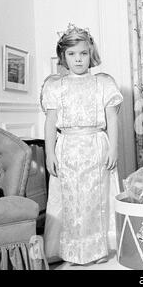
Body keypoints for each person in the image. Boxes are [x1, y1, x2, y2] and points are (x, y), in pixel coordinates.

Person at [40, 23, 123, 265]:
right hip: (66, 147)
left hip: (96, 145)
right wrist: (48, 155)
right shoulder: (55, 85)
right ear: (63, 56)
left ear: (91, 54)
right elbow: (49, 123)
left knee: (96, 200)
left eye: (83, 53)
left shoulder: (104, 83)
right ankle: (72, 251)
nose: (78, 59)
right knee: (71, 201)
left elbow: (112, 119)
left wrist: (114, 148)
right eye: (72, 54)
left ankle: (98, 250)